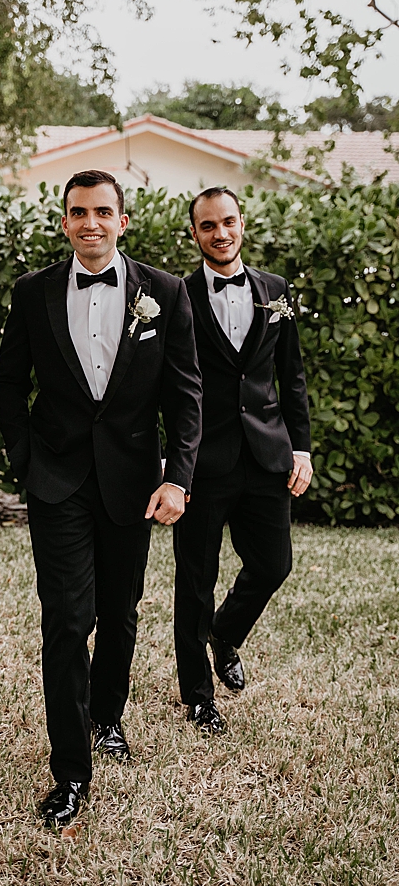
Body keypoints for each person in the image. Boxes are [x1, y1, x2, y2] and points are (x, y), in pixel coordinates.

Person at [0, 169, 202, 830]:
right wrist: (25, 459)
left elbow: (186, 394)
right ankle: (71, 772)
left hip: (132, 482)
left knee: (119, 610)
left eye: (102, 212)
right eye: (79, 212)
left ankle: (107, 715)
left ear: (122, 221)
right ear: (65, 222)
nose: (91, 223)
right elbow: (8, 386)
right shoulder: (32, 292)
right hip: (56, 481)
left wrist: (178, 477)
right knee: (65, 619)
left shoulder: (164, 292)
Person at [173, 186, 312, 735]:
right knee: (195, 582)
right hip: (202, 460)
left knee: (274, 565)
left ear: (242, 223)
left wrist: (300, 447)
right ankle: (198, 697)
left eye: (227, 221)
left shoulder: (276, 290)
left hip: (266, 453)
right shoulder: (177, 295)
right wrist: (174, 464)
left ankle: (225, 633)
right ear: (194, 233)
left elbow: (291, 376)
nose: (220, 233)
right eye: (208, 225)